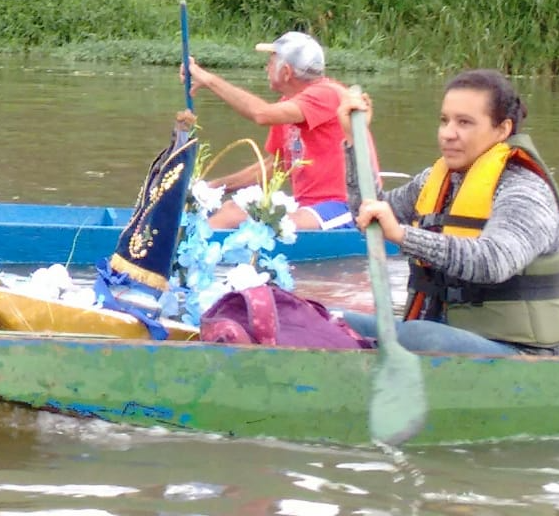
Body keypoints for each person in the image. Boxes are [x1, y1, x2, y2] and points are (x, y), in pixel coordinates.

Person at [337, 69, 559, 355]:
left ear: (502, 129)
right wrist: (355, 140)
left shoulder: (525, 189)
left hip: (520, 354)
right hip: (438, 335)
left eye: (464, 123)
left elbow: (495, 261)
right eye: (444, 120)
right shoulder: (438, 179)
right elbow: (366, 216)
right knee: (327, 318)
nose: (448, 133)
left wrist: (403, 235)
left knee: (418, 335)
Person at [180, 31, 353, 230]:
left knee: (233, 218)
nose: (266, 68)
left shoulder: (327, 94)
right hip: (306, 208)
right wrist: (213, 188)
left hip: (343, 208)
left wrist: (208, 80)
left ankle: (177, 251)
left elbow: (262, 114)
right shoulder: (287, 105)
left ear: (286, 72)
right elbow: (275, 166)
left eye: (270, 63)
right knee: (230, 209)